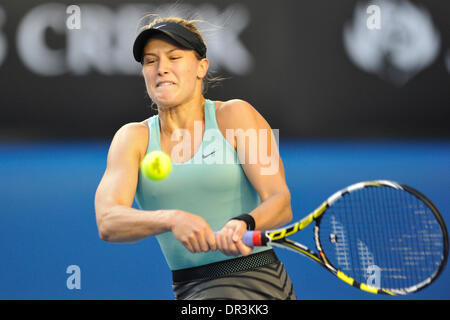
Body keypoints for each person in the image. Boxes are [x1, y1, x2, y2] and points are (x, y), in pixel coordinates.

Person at [94, 16, 297, 300]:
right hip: (191, 289)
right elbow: (108, 221)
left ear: (202, 67)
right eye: (150, 61)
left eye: (174, 57)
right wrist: (171, 218)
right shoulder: (132, 138)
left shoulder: (237, 115)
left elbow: (280, 201)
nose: (161, 69)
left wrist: (244, 223)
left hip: (256, 282)